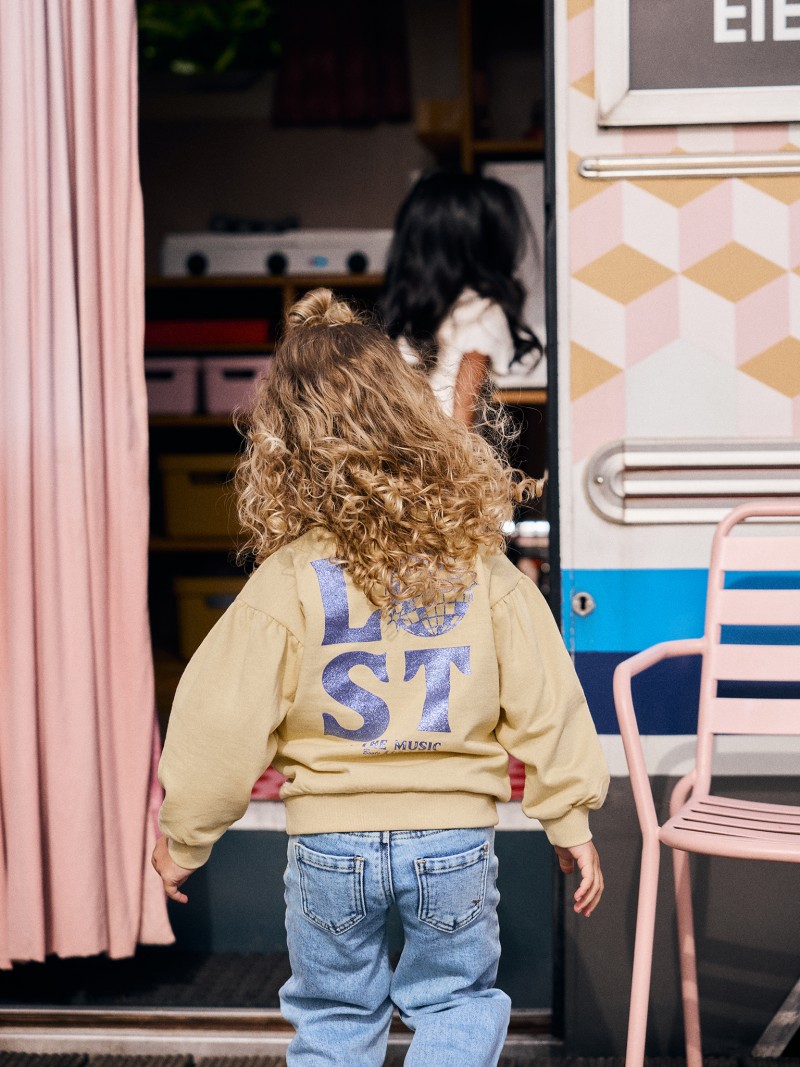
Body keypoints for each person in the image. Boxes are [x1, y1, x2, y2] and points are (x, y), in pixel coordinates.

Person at [152, 289, 609, 1067]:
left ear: (285, 445)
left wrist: (183, 838)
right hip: (453, 841)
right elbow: (547, 699)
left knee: (333, 1018)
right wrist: (570, 818)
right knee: (458, 1004)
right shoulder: (478, 565)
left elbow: (220, 720)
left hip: (330, 845)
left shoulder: (286, 581)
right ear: (410, 418)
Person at [381, 168, 543, 427]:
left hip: (412, 445)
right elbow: (462, 420)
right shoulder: (482, 311)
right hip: (439, 453)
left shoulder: (422, 309)